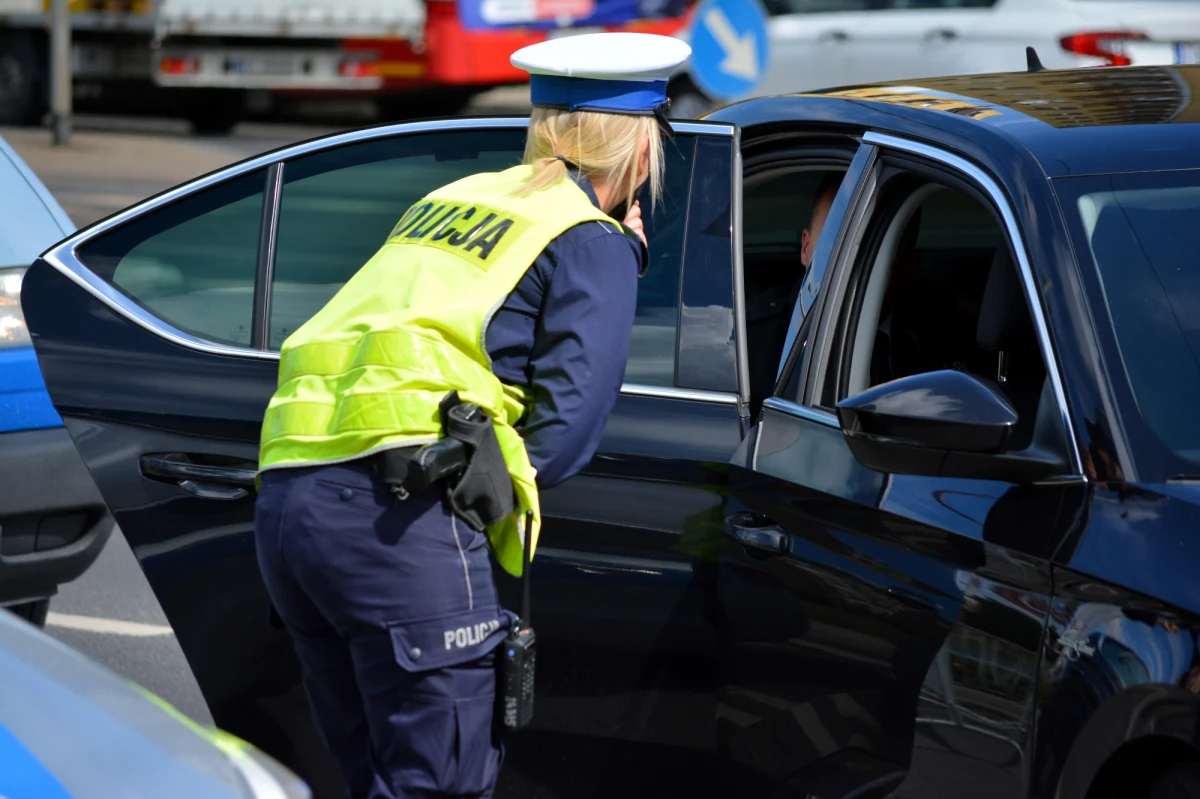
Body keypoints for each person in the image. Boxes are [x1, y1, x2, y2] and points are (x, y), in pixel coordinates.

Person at [251, 31, 692, 799]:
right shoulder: (589, 239)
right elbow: (565, 433)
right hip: (401, 519)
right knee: (440, 784)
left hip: (290, 509)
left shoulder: (450, 201)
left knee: (368, 777)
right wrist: (620, 256)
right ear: (642, 151)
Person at [745, 171, 843, 412]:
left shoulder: (921, 341)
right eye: (833, 239)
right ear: (805, 247)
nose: (845, 255)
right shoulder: (755, 341)